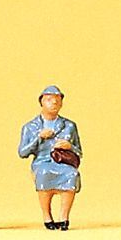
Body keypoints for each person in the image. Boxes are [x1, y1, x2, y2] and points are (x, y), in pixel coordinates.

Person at [18, 85, 83, 231]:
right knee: (43, 173)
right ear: (41, 102)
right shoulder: (30, 127)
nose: (54, 103)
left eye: (57, 100)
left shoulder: (69, 126)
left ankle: (64, 217)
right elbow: (22, 152)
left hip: (63, 161)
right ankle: (47, 216)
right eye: (49, 100)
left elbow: (80, 152)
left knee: (72, 174)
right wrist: (38, 138)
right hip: (42, 162)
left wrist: (70, 146)